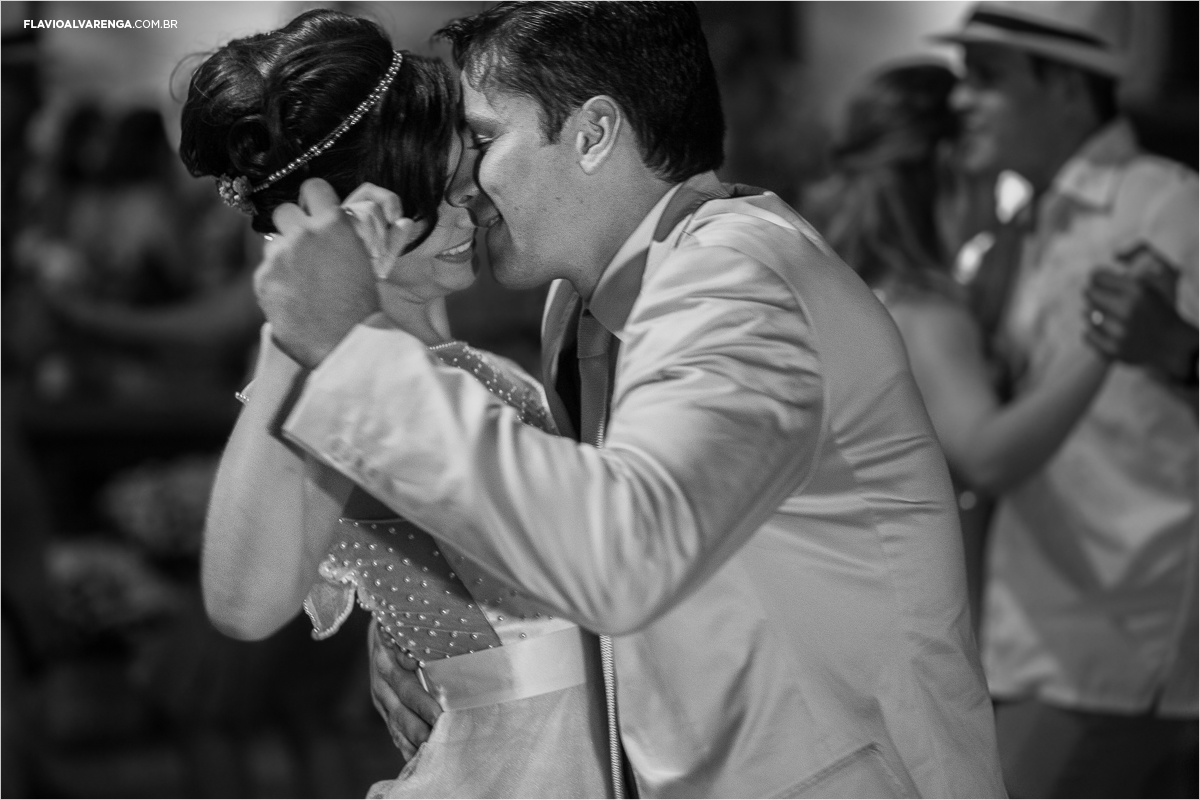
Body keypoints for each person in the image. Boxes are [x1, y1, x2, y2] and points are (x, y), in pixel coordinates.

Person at [253, 3, 1006, 796]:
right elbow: (594, 537)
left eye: (482, 140)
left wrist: (353, 352)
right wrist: (442, 619)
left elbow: (629, 549)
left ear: (593, 132)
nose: (464, 181)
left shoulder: (739, 285)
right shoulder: (588, 302)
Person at [184, 10, 610, 798]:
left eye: (463, 177)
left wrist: (416, 621)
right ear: (346, 218)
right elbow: (244, 603)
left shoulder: (443, 355)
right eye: (428, 198)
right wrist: (298, 334)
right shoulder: (333, 376)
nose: (468, 210)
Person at [933, 2, 1199, 796]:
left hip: (1119, 650)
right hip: (1024, 636)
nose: (961, 100)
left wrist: (1178, 350)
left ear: (1070, 89)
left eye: (988, 77)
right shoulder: (1016, 225)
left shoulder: (1172, 208)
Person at [802, 60, 1114, 630]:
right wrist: (1104, 344)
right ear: (948, 167)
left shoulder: (831, 289)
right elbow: (988, 454)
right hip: (927, 620)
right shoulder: (922, 312)